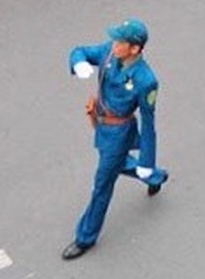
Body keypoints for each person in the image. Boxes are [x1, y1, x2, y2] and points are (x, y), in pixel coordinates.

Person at [62, 18, 168, 260]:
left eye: (121, 41)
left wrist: (146, 159)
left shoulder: (146, 80)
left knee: (103, 183)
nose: (114, 44)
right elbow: (79, 51)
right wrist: (78, 63)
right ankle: (156, 176)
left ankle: (85, 236)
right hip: (101, 123)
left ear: (135, 48)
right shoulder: (109, 54)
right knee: (117, 165)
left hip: (119, 134)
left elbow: (149, 124)